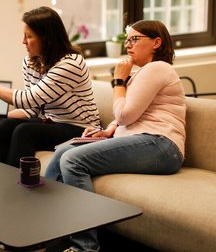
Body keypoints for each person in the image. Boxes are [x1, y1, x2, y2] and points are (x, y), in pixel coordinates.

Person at [45, 20, 186, 252]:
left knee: (73, 160)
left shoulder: (158, 68)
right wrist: (109, 129)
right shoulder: (143, 73)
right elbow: (130, 113)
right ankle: (45, 232)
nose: (128, 45)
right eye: (127, 39)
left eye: (135, 39)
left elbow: (126, 113)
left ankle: (84, 247)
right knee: (63, 150)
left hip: (162, 145)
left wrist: (118, 80)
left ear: (156, 43)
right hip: (144, 141)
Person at [0, 6, 101, 168]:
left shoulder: (71, 64)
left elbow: (28, 99)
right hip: (51, 122)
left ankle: (15, 186)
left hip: (81, 128)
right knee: (5, 125)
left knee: (25, 131)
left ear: (47, 39)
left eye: (29, 36)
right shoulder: (30, 62)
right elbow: (33, 109)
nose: (23, 41)